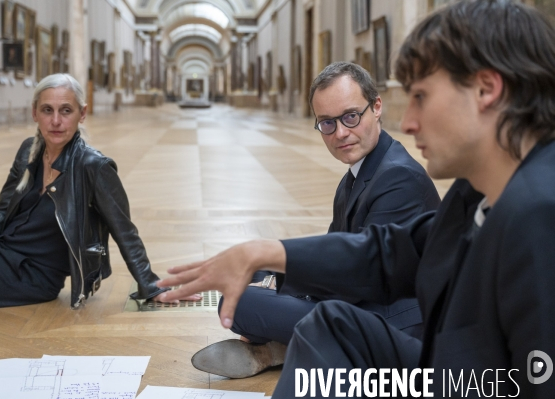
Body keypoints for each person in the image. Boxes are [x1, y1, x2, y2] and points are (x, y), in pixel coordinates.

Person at [157, 0, 555, 397]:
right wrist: (261, 254)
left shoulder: (538, 214)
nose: (409, 121)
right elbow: (386, 253)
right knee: (328, 324)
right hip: (451, 363)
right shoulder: (475, 191)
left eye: (421, 96)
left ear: (487, 89)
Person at [190, 62, 440, 379]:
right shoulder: (358, 173)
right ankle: (299, 345)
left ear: (376, 107)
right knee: (253, 275)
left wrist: (284, 289)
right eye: (327, 123)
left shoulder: (398, 178)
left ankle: (294, 347)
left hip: (393, 322)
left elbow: (365, 276)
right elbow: (336, 251)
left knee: (239, 300)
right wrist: (270, 275)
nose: (341, 133)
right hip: (355, 299)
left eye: (350, 117)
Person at [0, 73, 200, 311]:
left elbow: (124, 231)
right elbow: (1, 211)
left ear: (81, 114)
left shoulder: (93, 166)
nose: (56, 121)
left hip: (32, 275)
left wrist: (151, 285)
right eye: (47, 110)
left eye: (66, 110)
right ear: (34, 113)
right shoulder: (28, 150)